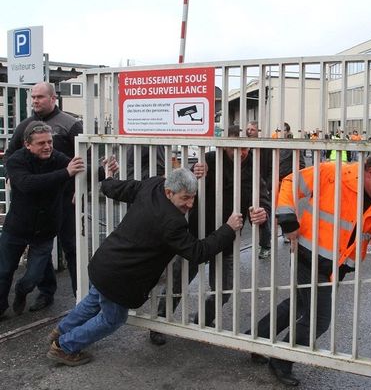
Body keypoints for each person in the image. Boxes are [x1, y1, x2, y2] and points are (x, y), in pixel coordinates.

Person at [46, 166, 244, 366]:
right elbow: (197, 252)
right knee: (112, 320)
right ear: (169, 192)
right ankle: (64, 346)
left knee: (93, 301)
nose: (190, 204)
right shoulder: (171, 222)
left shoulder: (153, 185)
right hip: (120, 277)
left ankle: (60, 331)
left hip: (104, 263)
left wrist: (107, 180)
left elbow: (118, 189)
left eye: (193, 197)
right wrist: (228, 229)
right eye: (185, 198)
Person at [252, 154, 371, 386]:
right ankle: (281, 360)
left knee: (299, 304)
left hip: (336, 269)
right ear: (370, 172)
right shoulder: (334, 173)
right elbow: (291, 182)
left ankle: (256, 338)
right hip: (308, 257)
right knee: (318, 320)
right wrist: (288, 220)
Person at [149, 125, 269, 346]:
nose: (241, 153)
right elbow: (185, 183)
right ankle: (160, 321)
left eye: (245, 148)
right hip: (198, 232)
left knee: (224, 289)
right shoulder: (210, 159)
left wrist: (262, 211)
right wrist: (195, 171)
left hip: (227, 237)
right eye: (235, 148)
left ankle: (203, 319)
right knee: (178, 280)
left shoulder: (253, 166)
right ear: (225, 145)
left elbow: (261, 197)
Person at [4, 82, 83, 309]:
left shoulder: (70, 124)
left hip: (66, 198)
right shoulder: (25, 126)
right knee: (42, 247)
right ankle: (45, 293)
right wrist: (12, 175)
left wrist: (79, 187)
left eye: (40, 97)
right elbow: (10, 154)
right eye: (33, 97)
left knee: (71, 247)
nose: (35, 101)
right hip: (34, 199)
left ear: (53, 98)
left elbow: (82, 158)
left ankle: (79, 297)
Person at [246, 121, 273, 259]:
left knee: (261, 217)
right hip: (246, 185)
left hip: (262, 188)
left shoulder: (265, 148)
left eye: (252, 129)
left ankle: (265, 246)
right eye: (248, 129)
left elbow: (270, 170)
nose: (249, 131)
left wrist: (267, 188)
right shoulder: (245, 146)